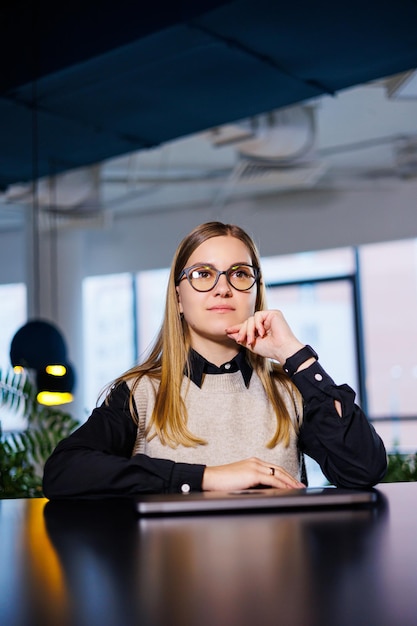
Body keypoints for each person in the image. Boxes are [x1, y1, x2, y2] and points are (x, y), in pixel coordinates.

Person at [43, 221, 387, 498]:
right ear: (178, 298)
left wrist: (294, 355)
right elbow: (64, 471)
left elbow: (363, 469)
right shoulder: (141, 392)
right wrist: (206, 478)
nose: (223, 288)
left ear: (255, 293)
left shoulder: (291, 391)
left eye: (239, 274)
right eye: (203, 274)